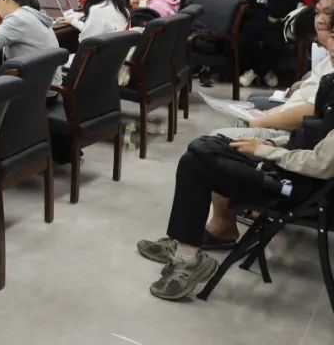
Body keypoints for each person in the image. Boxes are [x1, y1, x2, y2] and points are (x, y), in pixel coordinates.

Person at [134, 79, 334, 301]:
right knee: (200, 153)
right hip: (287, 170)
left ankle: (187, 256)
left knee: (197, 160)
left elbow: (320, 165)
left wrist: (264, 151)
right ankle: (184, 248)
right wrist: (271, 144)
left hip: (295, 190)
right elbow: (308, 139)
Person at [211, 0, 334, 140]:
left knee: (215, 139)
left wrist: (264, 121)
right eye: (317, 12)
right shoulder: (327, 59)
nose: (319, 20)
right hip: (286, 124)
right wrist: (265, 116)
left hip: (292, 136)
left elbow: (311, 111)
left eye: (328, 14)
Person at [239, 0, 299, 88]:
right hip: (256, 22)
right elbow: (246, 7)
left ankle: (256, 72)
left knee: (273, 43)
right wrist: (267, 17)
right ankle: (264, 72)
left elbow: (279, 13)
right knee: (245, 40)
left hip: (276, 26)